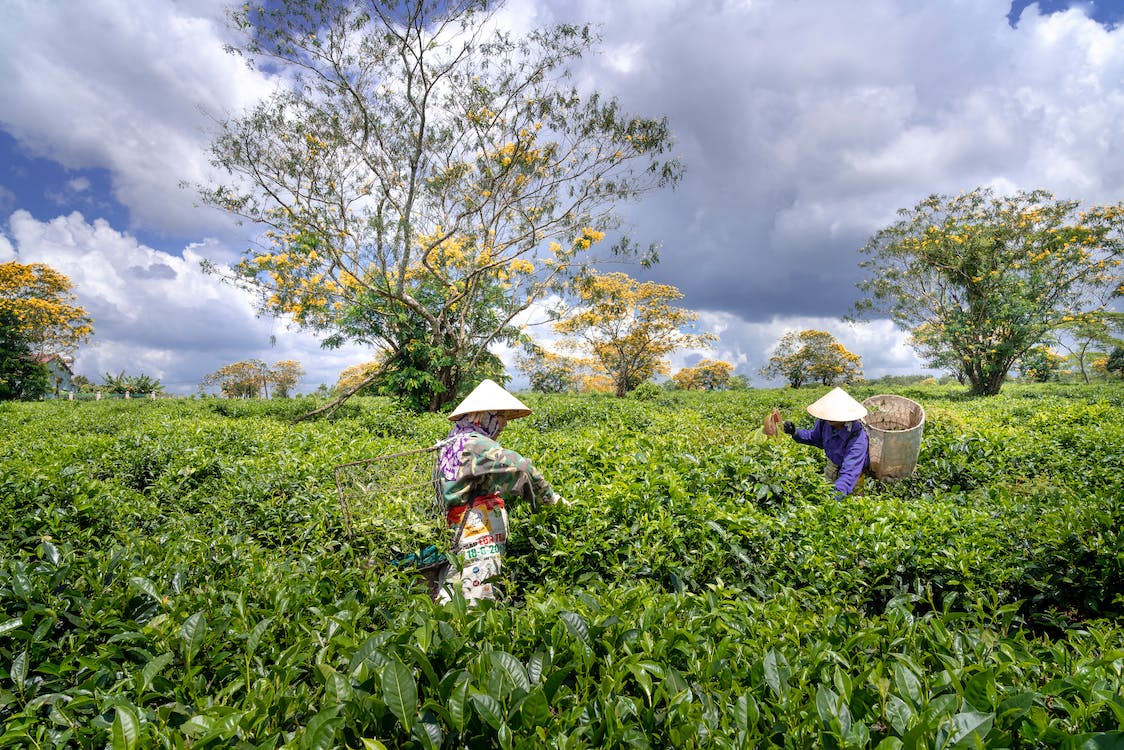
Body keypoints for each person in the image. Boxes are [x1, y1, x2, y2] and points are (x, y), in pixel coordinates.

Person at [434, 379, 564, 604]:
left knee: (454, 590)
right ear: (483, 416)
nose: (504, 423)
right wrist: (551, 499)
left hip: (458, 529)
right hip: (477, 535)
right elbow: (521, 467)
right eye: (500, 416)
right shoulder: (475, 444)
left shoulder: (454, 440)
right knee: (478, 601)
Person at [782, 387, 869, 499]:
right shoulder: (824, 422)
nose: (830, 417)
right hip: (832, 466)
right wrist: (795, 432)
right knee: (827, 492)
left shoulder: (857, 438)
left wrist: (833, 498)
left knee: (851, 502)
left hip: (854, 474)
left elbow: (849, 473)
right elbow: (814, 438)